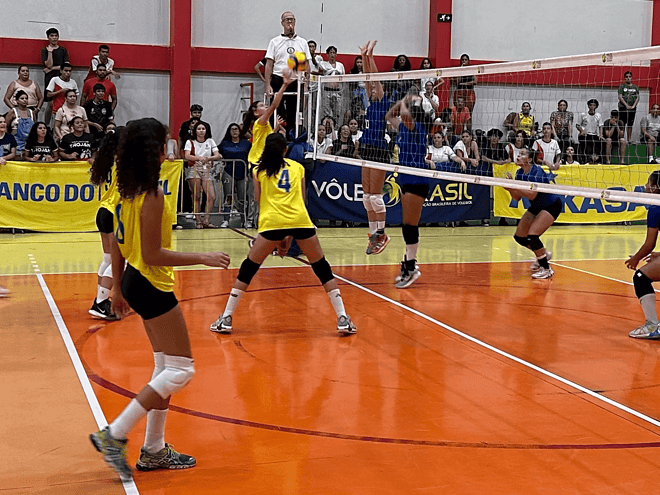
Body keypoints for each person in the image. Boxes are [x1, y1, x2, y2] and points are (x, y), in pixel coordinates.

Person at [90, 117, 231, 482]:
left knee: (164, 366)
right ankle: (115, 434)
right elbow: (153, 254)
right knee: (181, 370)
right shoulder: (151, 194)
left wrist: (118, 287)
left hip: (134, 280)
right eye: (166, 143)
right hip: (150, 283)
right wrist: (202, 257)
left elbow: (117, 244)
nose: (170, 148)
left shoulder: (127, 188)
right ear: (153, 150)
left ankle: (153, 450)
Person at [209, 132, 356, 335]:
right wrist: (288, 236)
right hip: (300, 220)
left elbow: (258, 200)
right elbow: (302, 198)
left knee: (249, 268)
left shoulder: (259, 170)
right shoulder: (297, 167)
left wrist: (280, 237)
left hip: (272, 222)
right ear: (285, 150)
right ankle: (342, 318)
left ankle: (226, 317)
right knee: (321, 267)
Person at [386, 94, 430, 288]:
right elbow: (389, 115)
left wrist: (405, 101)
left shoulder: (416, 128)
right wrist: (403, 100)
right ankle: (409, 263)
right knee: (407, 225)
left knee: (410, 226)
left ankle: (411, 267)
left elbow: (404, 115)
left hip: (417, 180)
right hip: (406, 179)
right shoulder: (404, 128)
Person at [503, 148, 561, 279]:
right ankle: (543, 254)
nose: (518, 156)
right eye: (518, 154)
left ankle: (546, 269)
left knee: (532, 236)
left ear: (529, 159)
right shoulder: (519, 173)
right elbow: (516, 198)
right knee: (520, 237)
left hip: (551, 205)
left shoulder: (537, 171)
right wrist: (510, 188)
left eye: (522, 154)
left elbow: (532, 194)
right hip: (537, 206)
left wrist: (513, 186)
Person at [358, 40, 392, 255]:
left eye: (374, 89)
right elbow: (367, 79)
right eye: (369, 89)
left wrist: (370, 57)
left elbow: (374, 79)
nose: (371, 89)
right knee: (367, 198)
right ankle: (373, 237)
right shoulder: (370, 105)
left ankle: (382, 234)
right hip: (366, 149)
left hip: (379, 150)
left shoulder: (382, 103)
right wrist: (363, 56)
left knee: (376, 197)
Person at [88, 129, 122, 320]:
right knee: (118, 260)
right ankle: (100, 302)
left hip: (103, 210)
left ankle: (101, 297)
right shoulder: (122, 161)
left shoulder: (106, 159)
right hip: (114, 212)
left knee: (108, 259)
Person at [625, 171, 660, 338]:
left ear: (654, 188)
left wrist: (635, 259)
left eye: (648, 183)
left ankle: (652, 326)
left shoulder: (655, 208)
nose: (645, 186)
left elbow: (649, 244)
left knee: (641, 277)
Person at [264, 11, 312, 134]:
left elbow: (306, 65)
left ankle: (292, 136)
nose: (289, 22)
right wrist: (267, 85)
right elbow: (269, 64)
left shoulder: (302, 42)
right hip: (279, 78)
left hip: (296, 80)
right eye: (287, 19)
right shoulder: (274, 41)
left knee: (295, 111)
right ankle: (276, 135)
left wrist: (306, 85)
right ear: (282, 23)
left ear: (295, 22)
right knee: (276, 110)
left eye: (292, 19)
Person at [183, 121, 221, 229]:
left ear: (206, 130)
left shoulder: (210, 141)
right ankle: (198, 220)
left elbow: (218, 155)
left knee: (212, 196)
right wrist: (199, 158)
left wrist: (208, 158)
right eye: (199, 129)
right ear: (195, 131)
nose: (201, 131)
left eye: (203, 129)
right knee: (197, 196)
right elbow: (187, 155)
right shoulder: (190, 142)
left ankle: (206, 220)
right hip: (193, 169)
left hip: (206, 169)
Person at [218, 123, 252, 228]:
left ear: (239, 131)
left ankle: (244, 220)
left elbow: (252, 156)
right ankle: (226, 220)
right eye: (232, 129)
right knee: (228, 196)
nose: (234, 131)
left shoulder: (246, 144)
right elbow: (216, 153)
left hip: (243, 173)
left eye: (236, 129)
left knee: (242, 198)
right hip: (228, 172)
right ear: (229, 131)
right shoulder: (224, 144)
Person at [41, 28, 69, 124]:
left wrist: (52, 68)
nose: (54, 38)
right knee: (50, 103)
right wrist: (50, 52)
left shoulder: (63, 50)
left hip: (62, 78)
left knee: (62, 101)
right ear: (48, 37)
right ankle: (47, 125)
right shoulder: (45, 50)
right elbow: (48, 65)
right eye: (52, 36)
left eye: (56, 36)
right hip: (50, 79)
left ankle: (60, 123)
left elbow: (66, 66)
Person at [319, 45, 346, 127]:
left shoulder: (340, 65)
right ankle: (327, 129)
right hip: (327, 90)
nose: (332, 54)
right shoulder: (323, 64)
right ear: (327, 54)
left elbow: (344, 78)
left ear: (336, 54)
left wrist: (341, 91)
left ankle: (336, 128)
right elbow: (319, 72)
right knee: (326, 112)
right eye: (330, 53)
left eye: (334, 53)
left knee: (337, 112)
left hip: (337, 91)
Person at [6, 90, 35, 155]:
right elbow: (6, 127)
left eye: (26, 98)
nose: (25, 100)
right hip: (16, 142)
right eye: (22, 98)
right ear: (17, 101)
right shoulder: (12, 112)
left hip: (29, 142)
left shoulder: (32, 112)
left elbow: (35, 128)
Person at [576, 98, 603, 163]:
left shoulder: (598, 115)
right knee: (585, 147)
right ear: (588, 106)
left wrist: (601, 135)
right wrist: (581, 131)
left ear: (596, 107)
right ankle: (584, 160)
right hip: (585, 135)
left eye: (594, 105)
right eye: (591, 105)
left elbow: (601, 126)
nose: (592, 107)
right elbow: (577, 125)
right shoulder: (583, 114)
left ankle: (596, 161)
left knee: (598, 146)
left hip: (594, 135)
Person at [618, 71, 639, 143]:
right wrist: (626, 105)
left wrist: (633, 106)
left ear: (631, 78)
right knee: (622, 123)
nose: (628, 78)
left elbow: (637, 98)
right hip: (623, 108)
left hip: (632, 108)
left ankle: (629, 139)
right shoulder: (622, 86)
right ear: (624, 78)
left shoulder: (635, 87)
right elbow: (620, 97)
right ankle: (622, 139)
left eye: (629, 77)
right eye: (626, 77)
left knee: (630, 124)